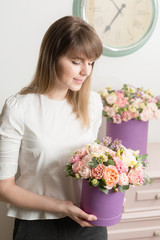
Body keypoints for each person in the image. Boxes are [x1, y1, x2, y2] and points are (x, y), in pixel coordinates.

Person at [0, 16, 107, 240]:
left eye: (91, 62)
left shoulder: (93, 103)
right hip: (37, 226)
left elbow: (91, 167)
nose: (86, 71)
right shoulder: (19, 107)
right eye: (77, 61)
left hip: (88, 223)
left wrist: (110, 193)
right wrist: (63, 206)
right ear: (52, 57)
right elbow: (4, 187)